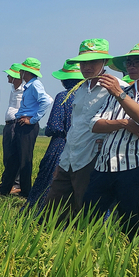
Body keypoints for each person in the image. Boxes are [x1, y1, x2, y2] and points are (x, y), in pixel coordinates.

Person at [83, 41, 139, 240]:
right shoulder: (121, 94)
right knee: (88, 220)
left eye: (137, 61)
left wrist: (119, 94)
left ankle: (122, 259)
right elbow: (94, 125)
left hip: (134, 167)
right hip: (103, 166)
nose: (131, 65)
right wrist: (124, 123)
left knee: (128, 224)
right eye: (129, 62)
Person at [44, 39, 127, 223]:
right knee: (53, 209)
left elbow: (128, 122)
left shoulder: (117, 87)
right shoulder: (81, 88)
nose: (87, 67)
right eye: (83, 62)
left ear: (104, 62)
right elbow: (75, 127)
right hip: (70, 156)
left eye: (93, 62)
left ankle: (83, 248)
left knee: (87, 212)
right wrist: (62, 159)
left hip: (93, 158)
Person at [24, 61, 84, 213]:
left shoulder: (63, 97)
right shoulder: (87, 97)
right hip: (83, 146)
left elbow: (54, 126)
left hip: (60, 144)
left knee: (48, 178)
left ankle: (38, 211)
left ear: (65, 81)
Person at [0, 58, 52, 198]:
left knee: (25, 159)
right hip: (21, 124)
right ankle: (4, 189)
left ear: (26, 72)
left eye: (21, 70)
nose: (19, 72)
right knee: (14, 158)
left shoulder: (35, 85)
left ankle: (26, 192)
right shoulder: (29, 85)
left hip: (28, 126)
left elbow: (46, 101)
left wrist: (33, 119)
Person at [0, 64, 24, 194]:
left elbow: (47, 99)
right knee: (8, 155)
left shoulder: (25, 90)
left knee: (15, 155)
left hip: (17, 124)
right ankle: (6, 183)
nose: (8, 76)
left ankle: (15, 185)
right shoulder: (13, 89)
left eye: (10, 74)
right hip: (9, 124)